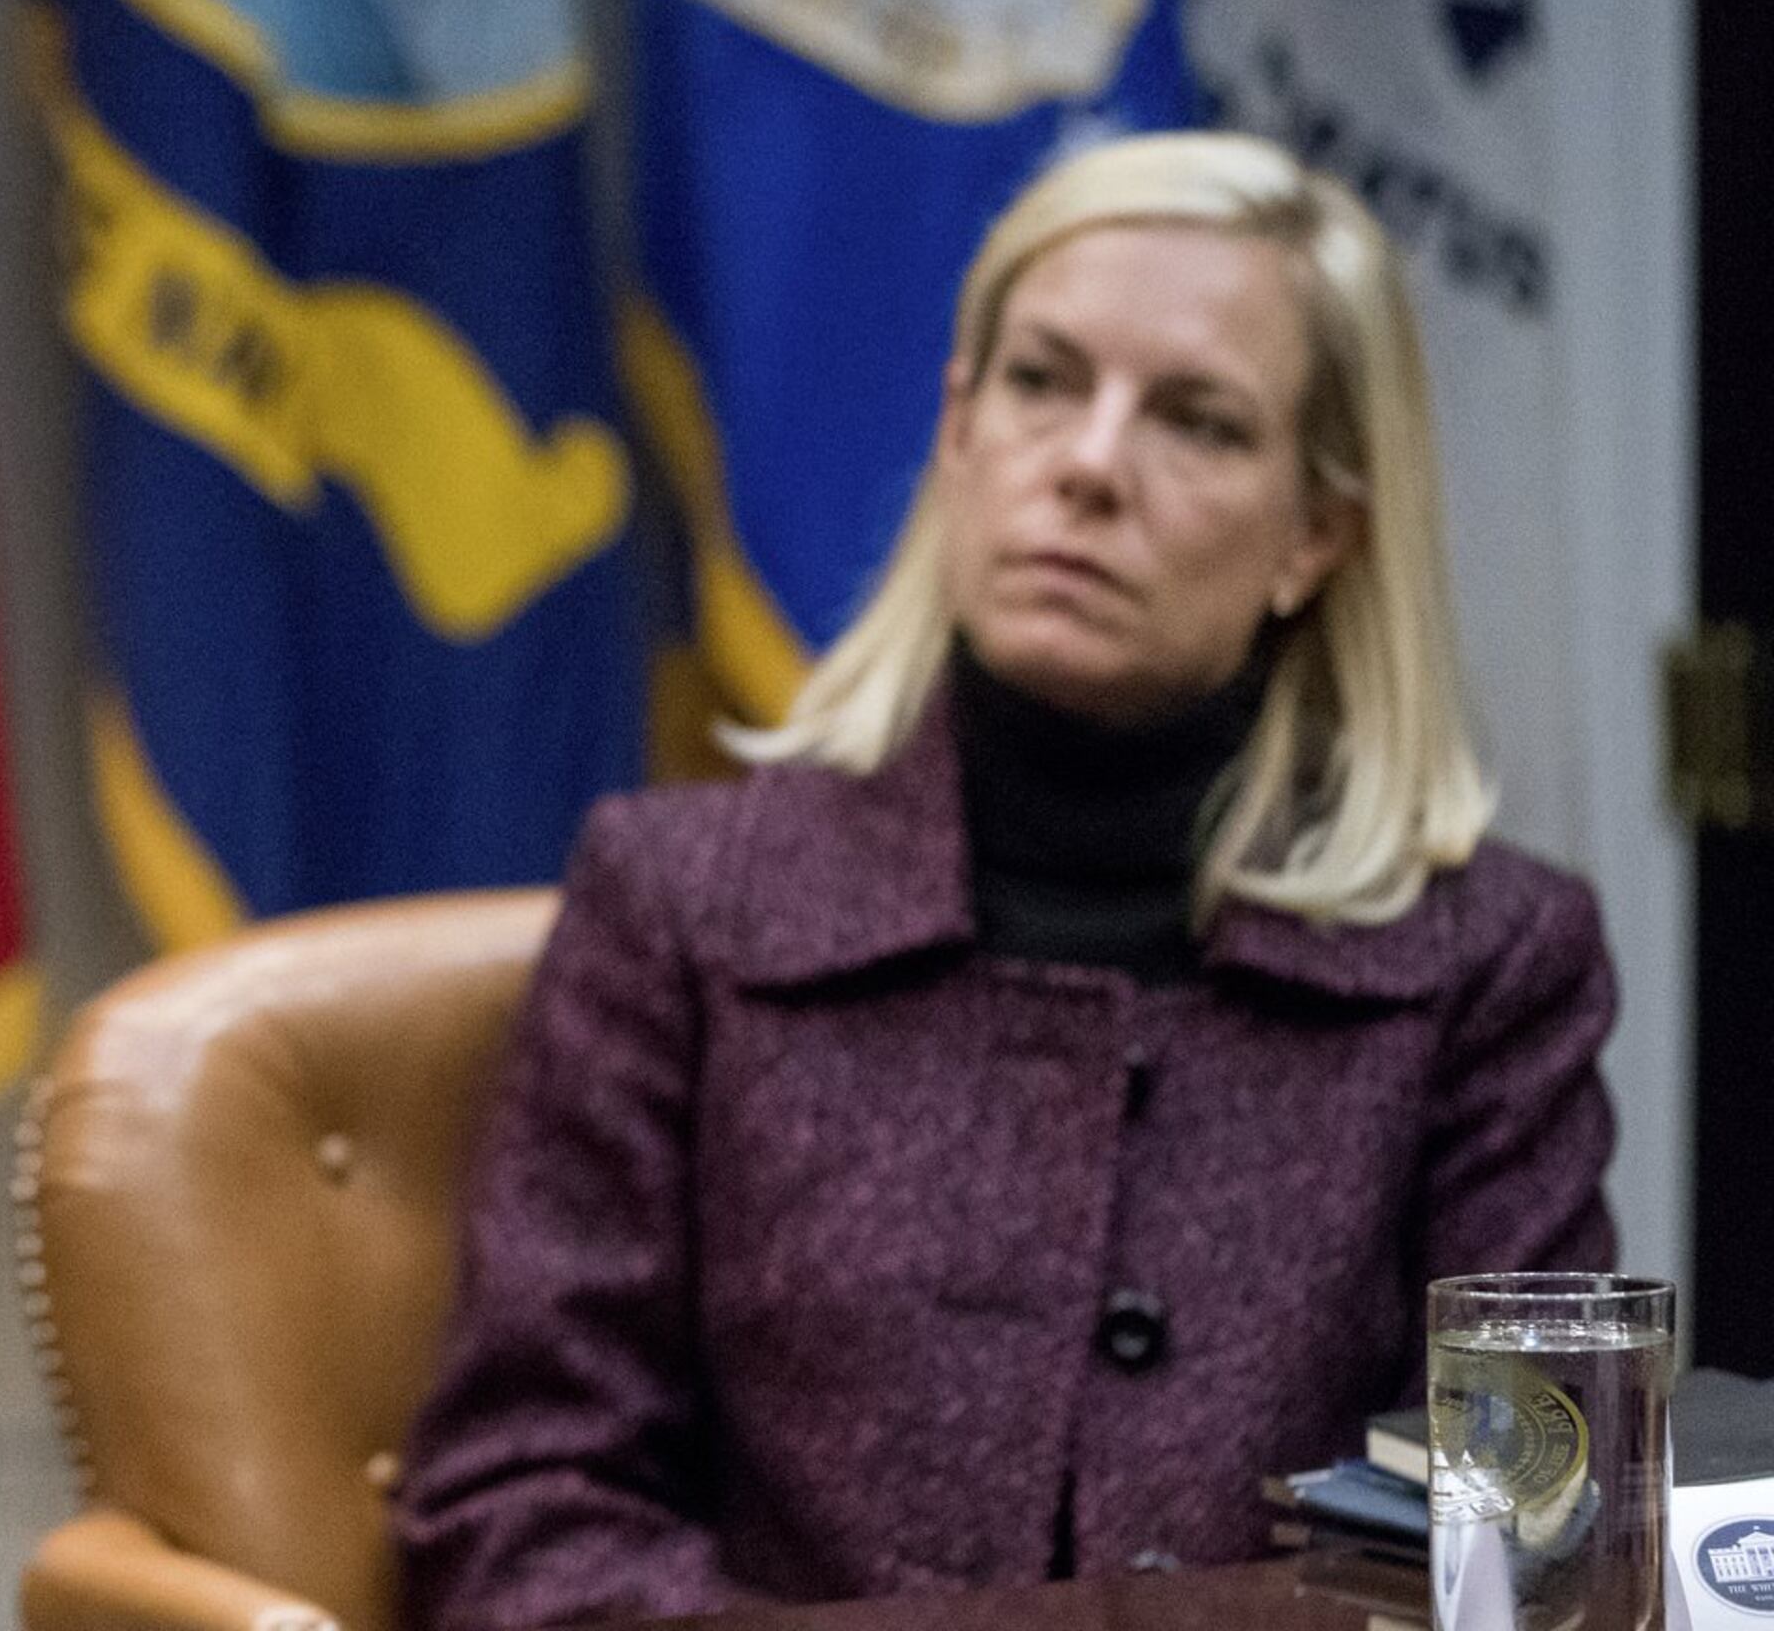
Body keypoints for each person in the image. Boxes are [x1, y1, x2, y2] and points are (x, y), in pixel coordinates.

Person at [394, 132, 1617, 1624]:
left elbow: (1523, 1545)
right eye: (1042, 383)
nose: (1090, 466)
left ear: (1317, 535)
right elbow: (522, 1512)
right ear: (960, 434)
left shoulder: (1489, 959)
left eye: (1200, 422)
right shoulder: (679, 901)